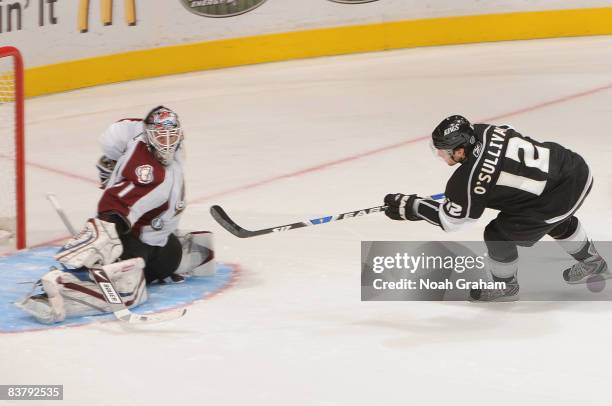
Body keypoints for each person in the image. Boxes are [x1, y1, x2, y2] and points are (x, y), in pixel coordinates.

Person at [17, 106, 215, 323]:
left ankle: (158, 253)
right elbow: (116, 205)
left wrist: (112, 162)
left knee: (171, 255)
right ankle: (56, 291)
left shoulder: (137, 135)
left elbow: (118, 132)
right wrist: (103, 232)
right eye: (160, 135)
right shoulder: (152, 176)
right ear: (149, 136)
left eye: (172, 135)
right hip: (132, 244)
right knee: (129, 290)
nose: (167, 143)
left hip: (156, 241)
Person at [383, 115, 609, 301]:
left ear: (461, 151)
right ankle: (592, 261)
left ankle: (506, 287)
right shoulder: (485, 130)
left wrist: (412, 206)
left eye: (444, 150)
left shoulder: (467, 180)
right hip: (576, 169)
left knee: (497, 234)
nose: (441, 155)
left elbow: (451, 221)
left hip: (558, 195)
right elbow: (509, 138)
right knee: (547, 217)